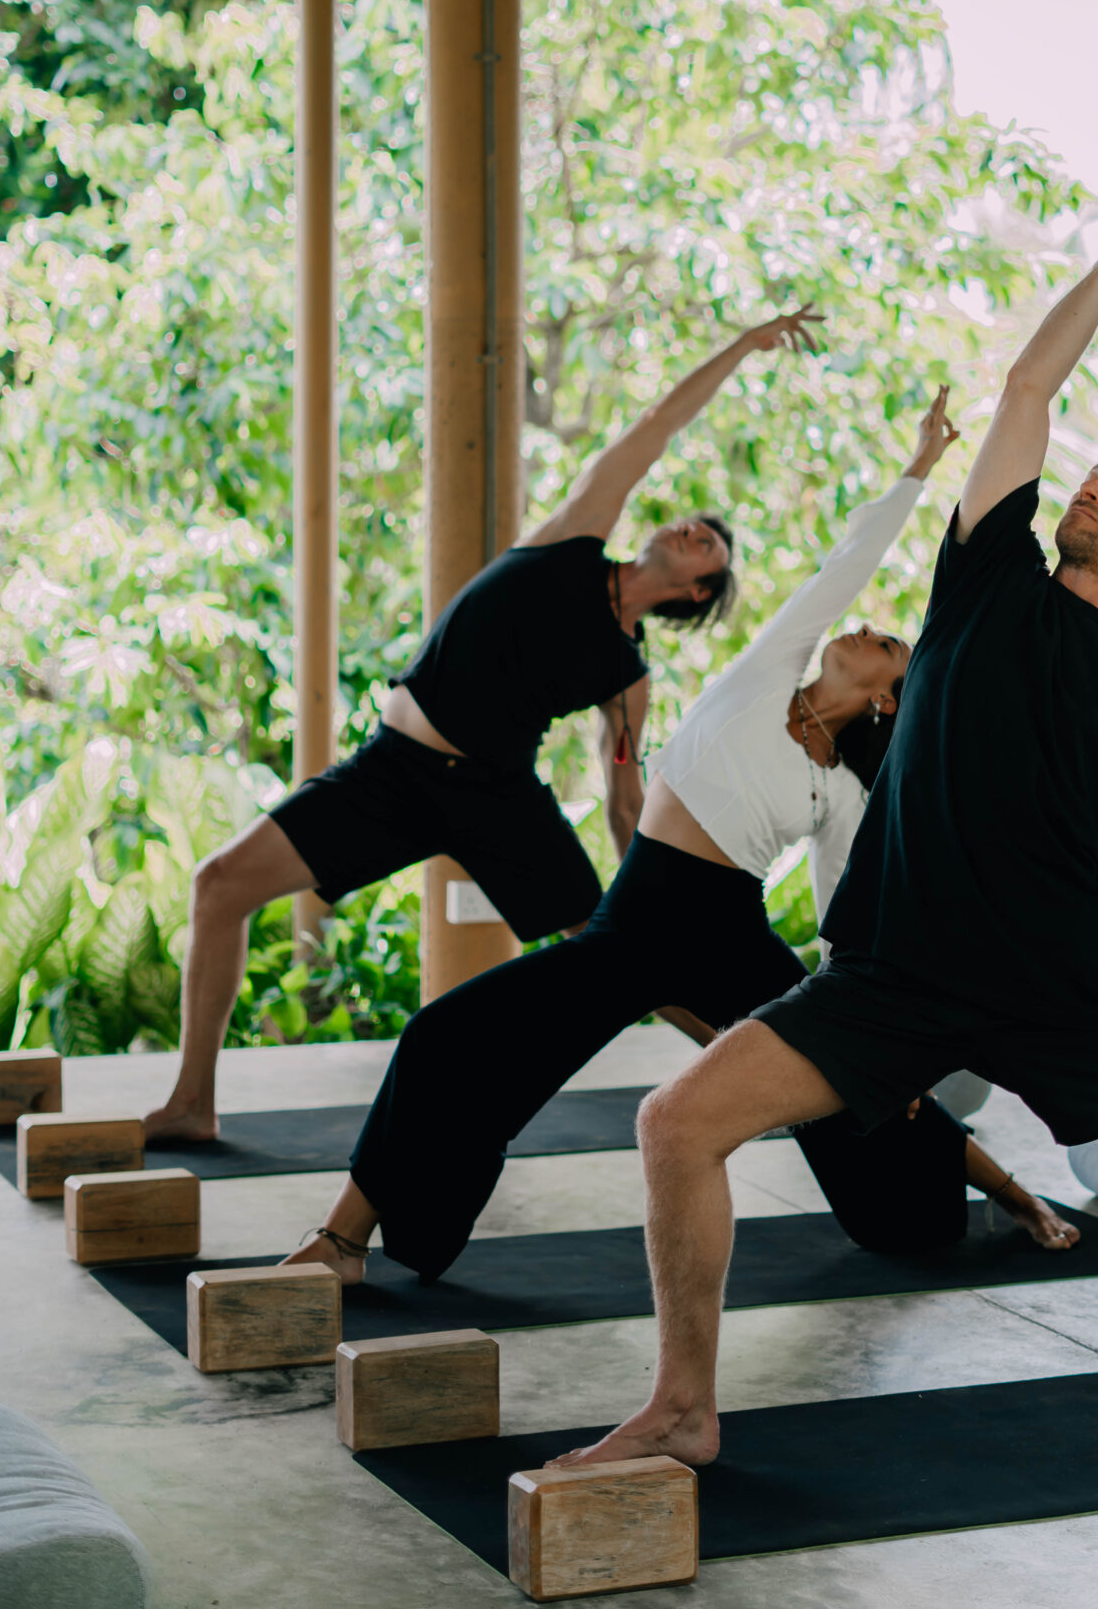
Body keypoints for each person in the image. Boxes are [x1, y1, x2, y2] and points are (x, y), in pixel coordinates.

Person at [555, 199, 1098, 1474]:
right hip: (892, 974)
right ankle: (685, 1406)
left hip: (1058, 988)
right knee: (676, 1121)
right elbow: (1029, 383)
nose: (1097, 481)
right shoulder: (989, 569)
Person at [282, 385, 1080, 1284]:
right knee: (445, 1039)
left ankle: (1010, 1193)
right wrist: (919, 467)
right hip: (634, 921)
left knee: (862, 1090)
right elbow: (846, 565)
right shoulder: (767, 670)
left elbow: (845, 915)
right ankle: (343, 1242)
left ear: (889, 696)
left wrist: (870, 1020)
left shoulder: (841, 793)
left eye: (889, 644)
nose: (867, 627)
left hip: (727, 935)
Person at [143, 310, 822, 1143]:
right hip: (391, 775)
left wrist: (640, 894)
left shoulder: (627, 678)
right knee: (219, 886)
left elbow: (622, 791)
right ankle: (191, 1105)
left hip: (498, 799)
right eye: (694, 525)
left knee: (626, 957)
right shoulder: (571, 540)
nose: (695, 532)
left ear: (694, 594)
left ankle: (778, 1085)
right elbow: (657, 427)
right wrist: (745, 344)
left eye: (709, 548)